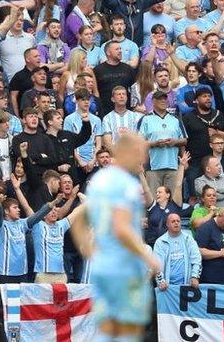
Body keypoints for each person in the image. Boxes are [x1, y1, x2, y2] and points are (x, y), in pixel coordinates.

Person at [70, 132, 160, 342]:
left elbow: (81, 220)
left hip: (104, 268)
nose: (144, 158)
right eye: (141, 152)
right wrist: (148, 258)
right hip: (124, 269)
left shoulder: (100, 180)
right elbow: (121, 228)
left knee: (107, 329)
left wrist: (90, 250)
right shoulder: (124, 184)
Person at [153, 213, 202, 290]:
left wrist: (195, 277)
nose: (176, 223)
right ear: (167, 224)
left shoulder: (188, 239)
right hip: (168, 288)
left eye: (178, 221)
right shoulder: (160, 242)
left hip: (187, 285)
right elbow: (156, 265)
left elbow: (197, 259)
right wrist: (160, 281)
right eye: (173, 221)